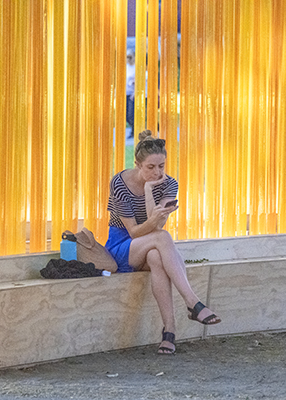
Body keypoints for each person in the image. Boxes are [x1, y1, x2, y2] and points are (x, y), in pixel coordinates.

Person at [105, 130, 221, 355]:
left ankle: (170, 331)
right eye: (150, 167)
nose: (157, 172)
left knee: (157, 257)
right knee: (162, 239)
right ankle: (192, 302)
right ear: (137, 164)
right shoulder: (119, 183)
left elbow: (156, 228)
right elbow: (136, 232)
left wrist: (150, 191)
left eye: (161, 166)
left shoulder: (169, 185)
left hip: (150, 246)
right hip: (122, 246)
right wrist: (148, 191)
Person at [125, 49, 135, 138]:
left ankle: (133, 131)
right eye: (127, 57)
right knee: (125, 114)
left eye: (130, 57)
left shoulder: (136, 67)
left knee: (131, 114)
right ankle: (133, 129)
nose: (128, 59)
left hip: (133, 93)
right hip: (125, 93)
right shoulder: (126, 67)